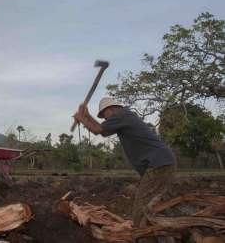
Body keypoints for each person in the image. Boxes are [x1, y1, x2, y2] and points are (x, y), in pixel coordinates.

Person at [73, 97, 176, 234]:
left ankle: (139, 235)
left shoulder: (122, 115)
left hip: (158, 164)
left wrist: (81, 118)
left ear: (111, 109)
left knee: (142, 203)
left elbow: (98, 129)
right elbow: (103, 131)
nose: (105, 119)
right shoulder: (124, 117)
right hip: (163, 162)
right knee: (157, 202)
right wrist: (87, 116)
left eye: (105, 115)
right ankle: (167, 230)